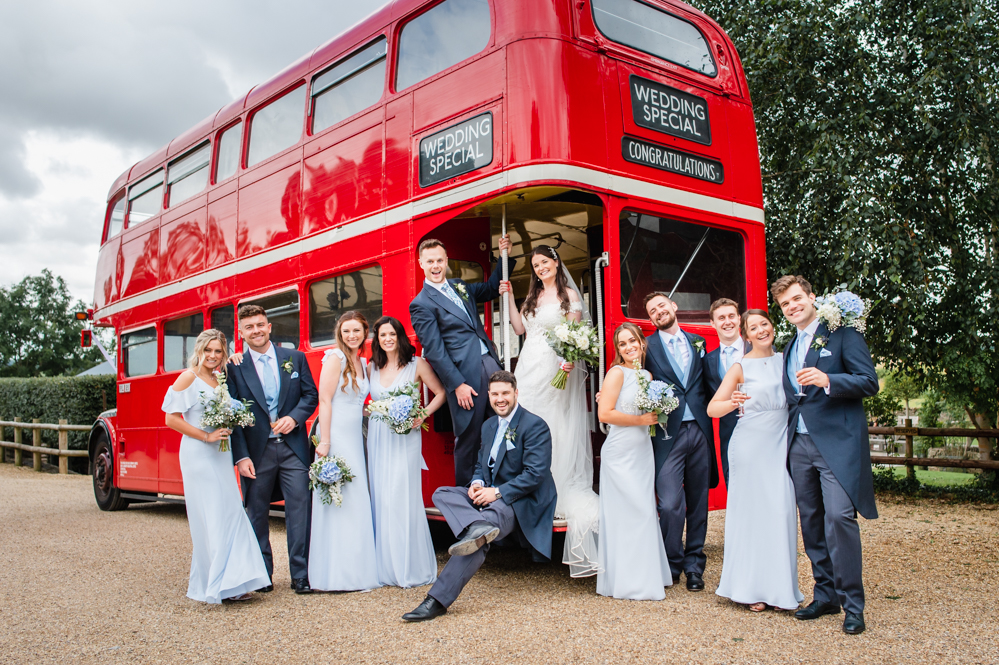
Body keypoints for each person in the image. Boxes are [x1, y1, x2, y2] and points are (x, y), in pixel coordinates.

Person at [401, 371, 558, 622]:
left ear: (516, 394)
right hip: (490, 494)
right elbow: (481, 465)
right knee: (442, 493)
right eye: (495, 394)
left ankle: (437, 600)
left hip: (519, 500)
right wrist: (476, 483)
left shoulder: (534, 425)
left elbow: (535, 475)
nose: (500, 399)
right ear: (489, 396)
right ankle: (477, 526)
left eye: (505, 393)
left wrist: (495, 492)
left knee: (479, 539)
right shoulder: (488, 425)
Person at [773, 275, 879, 635]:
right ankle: (826, 594)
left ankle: (853, 604)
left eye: (797, 298)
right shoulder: (788, 346)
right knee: (812, 522)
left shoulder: (843, 335)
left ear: (812, 298)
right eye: (785, 303)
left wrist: (828, 380)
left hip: (837, 445)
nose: (792, 306)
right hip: (798, 446)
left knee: (839, 519)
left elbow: (869, 382)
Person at [499, 245, 599, 578]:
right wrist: (510, 296)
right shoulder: (532, 298)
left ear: (556, 263)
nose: (541, 268)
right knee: (529, 426)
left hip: (555, 367)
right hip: (528, 367)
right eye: (536, 265)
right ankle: (531, 489)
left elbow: (574, 335)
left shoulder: (570, 294)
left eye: (545, 262)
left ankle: (554, 491)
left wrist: (568, 361)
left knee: (553, 425)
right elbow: (518, 329)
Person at [162, 329, 270, 603]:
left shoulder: (219, 378)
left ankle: (232, 581)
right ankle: (218, 584)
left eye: (217, 351)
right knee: (213, 515)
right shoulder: (189, 377)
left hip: (221, 453)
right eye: (207, 350)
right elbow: (171, 419)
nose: (212, 356)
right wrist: (206, 435)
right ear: (198, 351)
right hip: (199, 453)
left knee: (230, 511)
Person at [707, 310, 803, 612]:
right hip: (749, 447)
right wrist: (731, 401)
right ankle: (749, 589)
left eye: (765, 324)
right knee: (750, 516)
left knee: (780, 513)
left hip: (780, 446)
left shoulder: (787, 360)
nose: (761, 330)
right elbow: (713, 408)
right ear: (745, 336)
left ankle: (780, 589)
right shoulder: (739, 367)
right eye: (753, 328)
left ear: (772, 327)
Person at [409, 236, 515, 487]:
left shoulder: (459, 286)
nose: (435, 266)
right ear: (420, 263)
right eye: (430, 261)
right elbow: (434, 351)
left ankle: (500, 491)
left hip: (490, 364)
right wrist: (457, 384)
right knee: (469, 438)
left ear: (446, 261)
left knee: (503, 427)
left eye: (439, 260)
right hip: (464, 376)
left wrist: (504, 256)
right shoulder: (421, 304)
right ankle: (467, 504)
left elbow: (490, 289)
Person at [227, 305, 318, 594]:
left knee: (300, 511)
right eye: (249, 327)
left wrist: (294, 418)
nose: (256, 330)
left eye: (260, 325)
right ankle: (262, 574)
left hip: (294, 450)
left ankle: (300, 576)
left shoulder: (295, 358)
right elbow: (232, 415)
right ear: (241, 333)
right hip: (256, 452)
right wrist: (240, 456)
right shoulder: (234, 366)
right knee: (256, 514)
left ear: (270, 327)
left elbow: (310, 395)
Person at [643, 292, 717, 591]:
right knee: (671, 503)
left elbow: (711, 382)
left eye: (662, 306)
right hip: (667, 433)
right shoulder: (648, 346)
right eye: (652, 311)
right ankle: (671, 563)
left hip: (700, 429)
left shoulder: (698, 342)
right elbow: (636, 377)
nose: (658, 312)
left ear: (673, 307)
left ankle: (694, 566)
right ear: (650, 319)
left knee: (699, 502)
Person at [367, 315, 447, 588]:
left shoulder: (416, 364)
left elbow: (440, 393)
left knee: (401, 496)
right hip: (378, 437)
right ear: (377, 340)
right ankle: (385, 566)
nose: (387, 339)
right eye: (382, 335)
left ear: (399, 336)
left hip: (405, 438)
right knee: (381, 497)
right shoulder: (371, 367)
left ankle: (408, 565)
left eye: (392, 334)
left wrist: (422, 414)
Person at [596, 323, 672, 600]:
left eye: (632, 341)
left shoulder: (647, 375)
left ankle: (647, 573)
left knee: (644, 510)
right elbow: (605, 414)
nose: (629, 348)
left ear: (641, 342)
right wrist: (640, 420)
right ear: (618, 350)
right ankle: (629, 581)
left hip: (642, 449)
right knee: (629, 512)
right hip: (620, 451)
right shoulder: (616, 373)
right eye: (622, 345)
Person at [309, 311, 380, 592]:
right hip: (335, 435)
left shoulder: (362, 362)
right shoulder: (334, 358)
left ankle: (357, 570)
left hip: (354, 435)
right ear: (340, 332)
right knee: (337, 499)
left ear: (365, 333)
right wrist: (324, 441)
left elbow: (357, 402)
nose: (352, 336)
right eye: (346, 331)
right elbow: (325, 401)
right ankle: (335, 574)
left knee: (355, 498)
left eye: (357, 331)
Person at [703, 298, 744, 487]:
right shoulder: (708, 361)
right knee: (735, 486)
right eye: (721, 318)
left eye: (731, 316)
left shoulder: (762, 350)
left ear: (739, 319)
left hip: (764, 430)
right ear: (713, 323)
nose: (727, 322)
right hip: (729, 435)